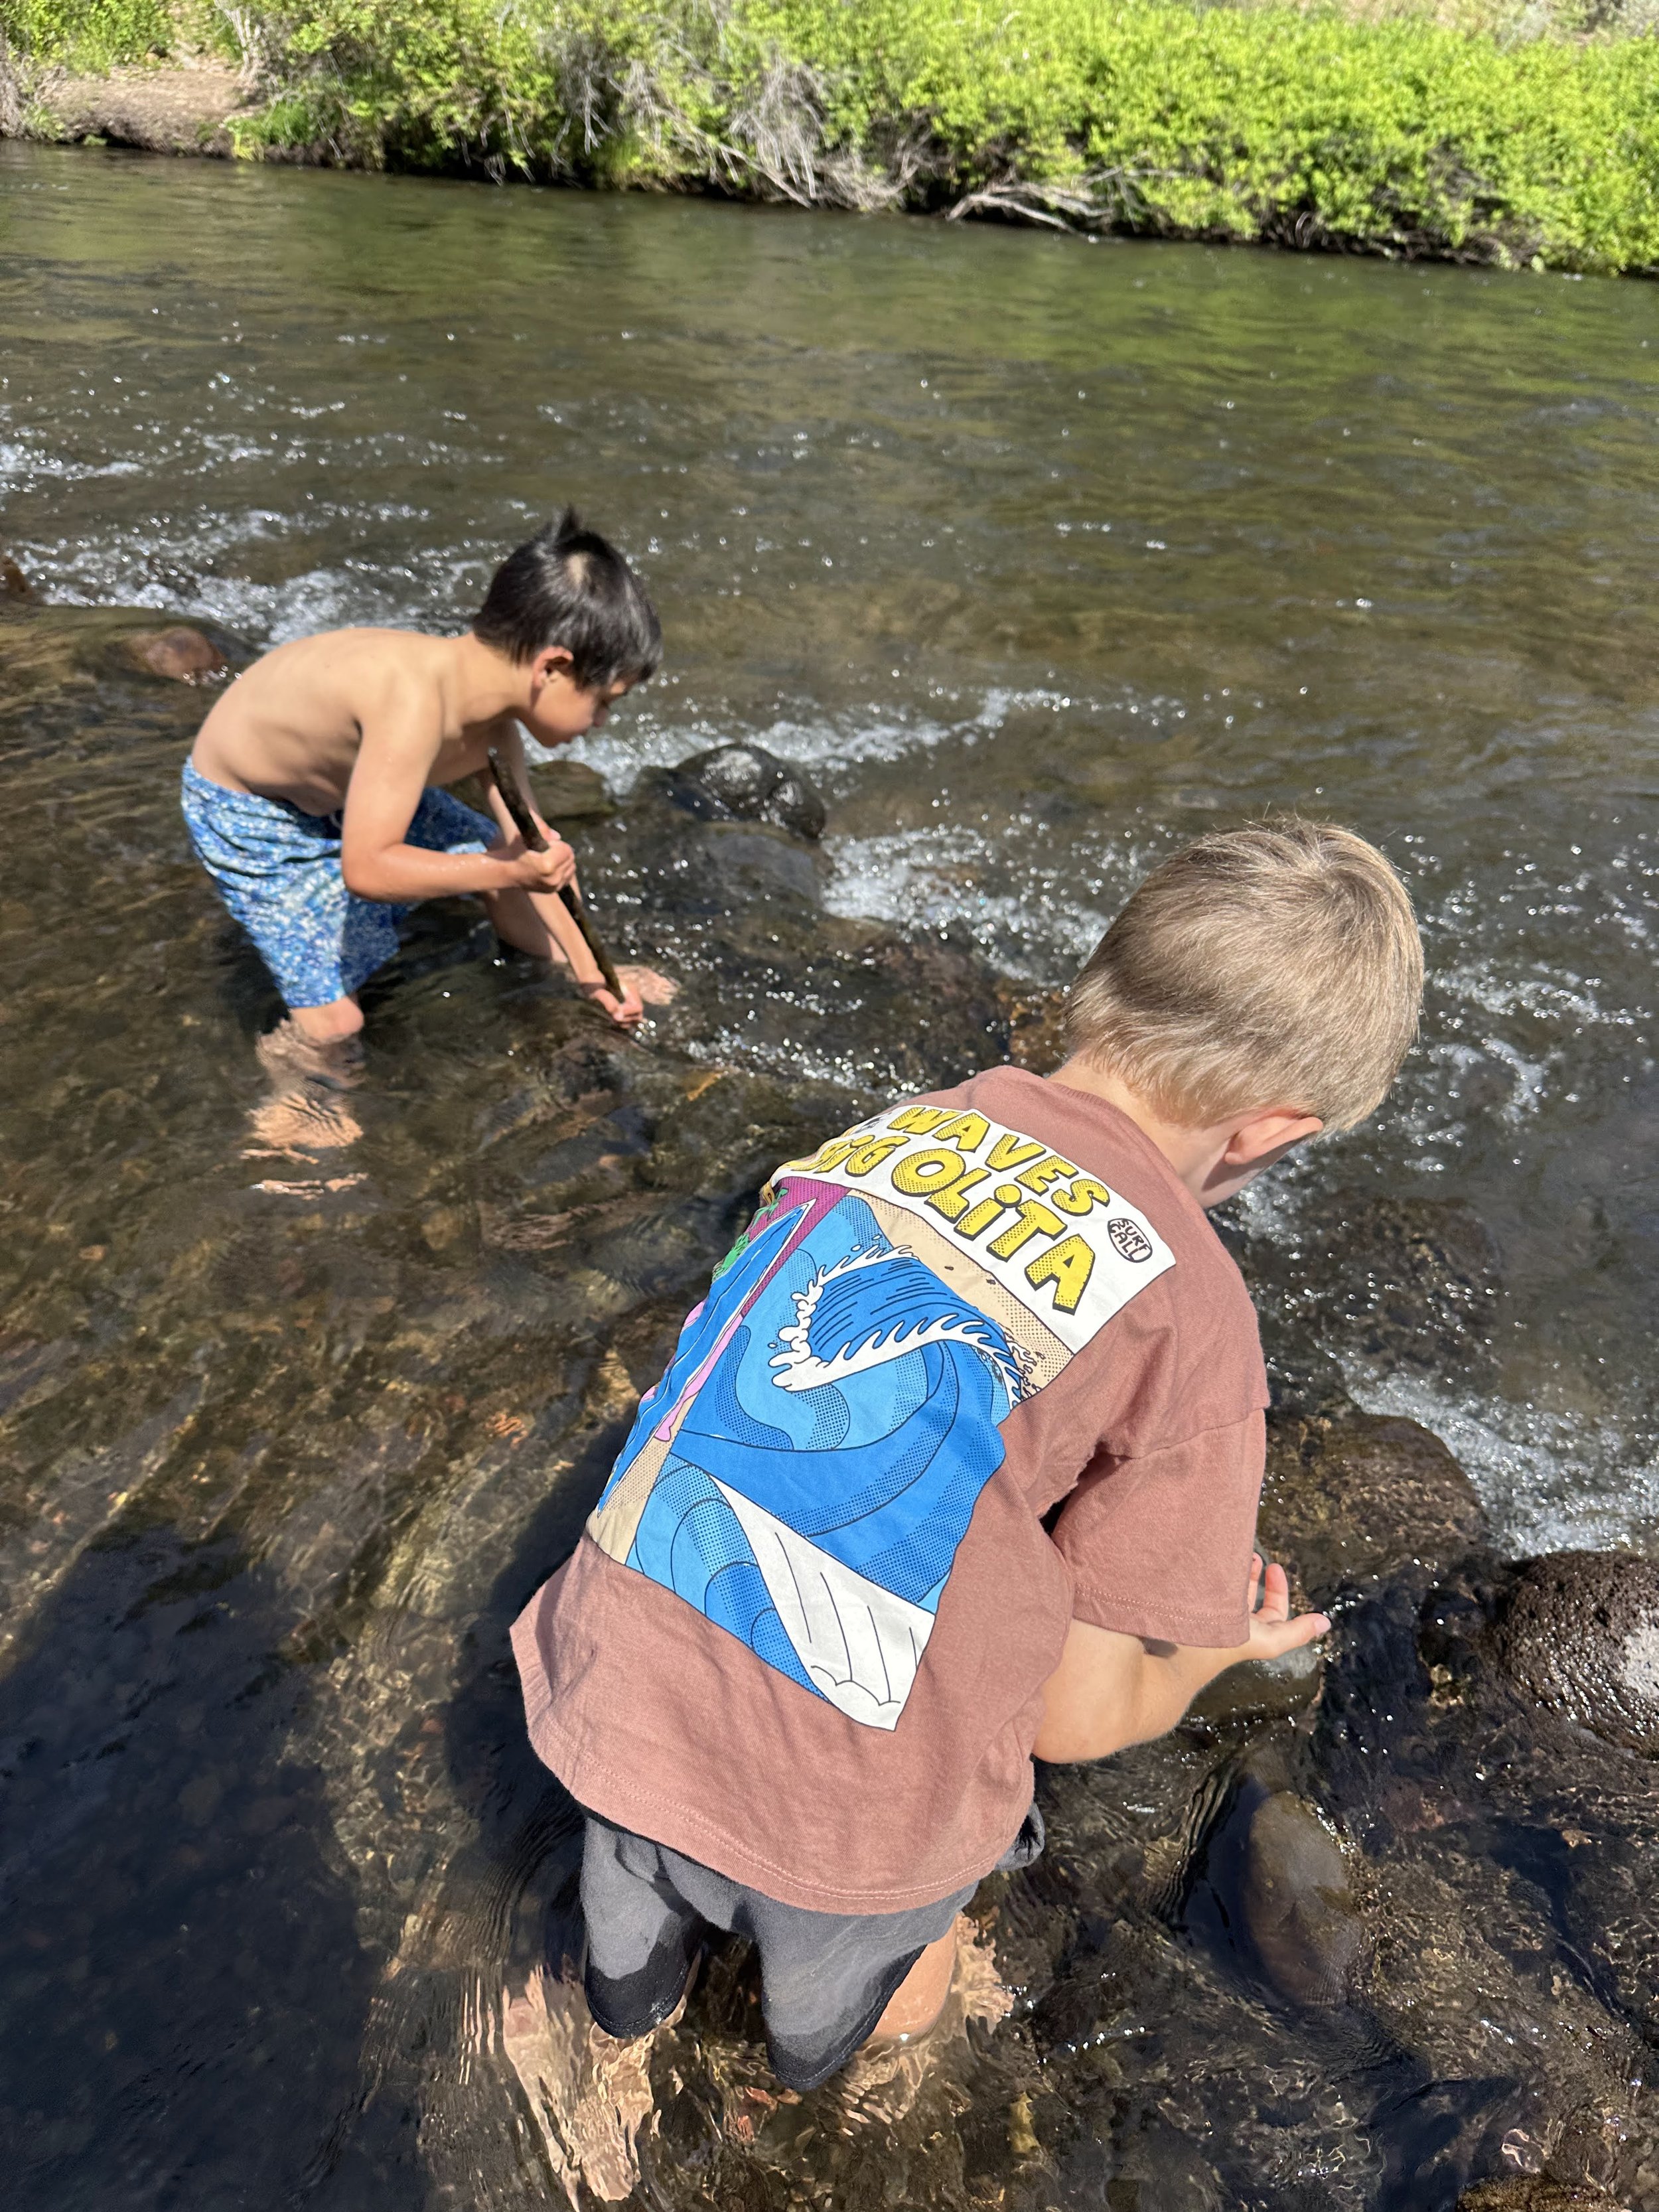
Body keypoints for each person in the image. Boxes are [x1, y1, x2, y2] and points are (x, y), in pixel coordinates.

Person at [511, 818, 1424, 2091]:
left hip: (609, 1682)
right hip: (835, 1807)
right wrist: (1209, 1653)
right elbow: (1071, 1714)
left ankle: (612, 2028)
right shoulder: (1196, 1307)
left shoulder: (896, 1132)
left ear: (1102, 984)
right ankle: (850, 2074)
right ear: (1273, 1131)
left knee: (634, 1922)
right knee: (908, 1962)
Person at [183, 510, 660, 1051]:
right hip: (252, 808)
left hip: (341, 787)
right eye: (603, 703)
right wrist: (502, 867)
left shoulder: (494, 726)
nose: (601, 722)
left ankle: (555, 968)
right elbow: (366, 868)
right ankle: (296, 1094)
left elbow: (538, 849)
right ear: (550, 669)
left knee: (509, 860)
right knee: (339, 1029)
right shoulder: (411, 706)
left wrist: (595, 974)